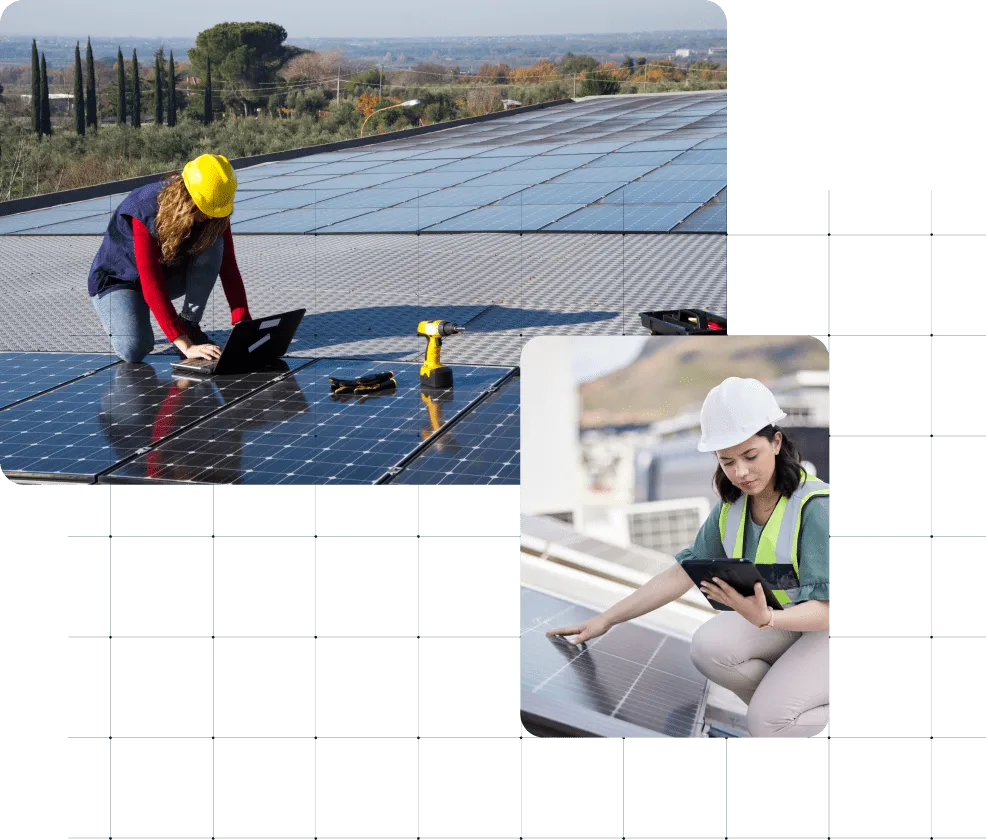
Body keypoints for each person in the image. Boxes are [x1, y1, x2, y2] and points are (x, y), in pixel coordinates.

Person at [547, 377, 831, 738]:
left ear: (776, 442)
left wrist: (768, 618)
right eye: (727, 461)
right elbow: (680, 574)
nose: (740, 472)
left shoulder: (817, 508)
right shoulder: (732, 511)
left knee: (766, 721)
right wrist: (606, 620)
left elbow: (824, 611)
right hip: (788, 624)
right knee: (710, 647)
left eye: (750, 456)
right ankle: (785, 722)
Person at [88, 153, 252, 363]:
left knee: (214, 243)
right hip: (120, 281)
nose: (211, 216)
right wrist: (186, 345)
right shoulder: (145, 209)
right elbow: (150, 280)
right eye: (206, 210)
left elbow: (228, 266)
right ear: (187, 196)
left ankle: (189, 323)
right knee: (134, 349)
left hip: (167, 274)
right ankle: (130, 309)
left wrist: (243, 324)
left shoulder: (216, 208)